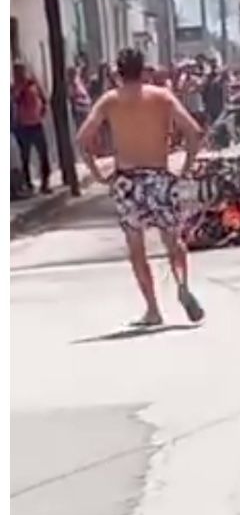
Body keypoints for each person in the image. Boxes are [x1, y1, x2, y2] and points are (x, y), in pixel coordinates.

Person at [76, 47, 206, 327]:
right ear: (144, 69)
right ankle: (182, 284)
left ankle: (153, 309)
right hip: (159, 175)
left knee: (137, 248)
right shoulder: (162, 97)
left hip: (127, 181)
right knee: (173, 240)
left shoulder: (110, 101)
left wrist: (97, 172)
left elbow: (82, 137)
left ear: (118, 73)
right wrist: (185, 167)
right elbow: (194, 131)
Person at [12, 61, 52, 194]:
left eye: (21, 70)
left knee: (43, 155)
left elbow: (45, 99)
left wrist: (42, 113)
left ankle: (45, 183)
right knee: (25, 158)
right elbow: (15, 101)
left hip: (36, 125)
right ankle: (28, 184)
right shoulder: (15, 88)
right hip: (23, 127)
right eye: (17, 71)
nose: (20, 74)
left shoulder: (34, 84)